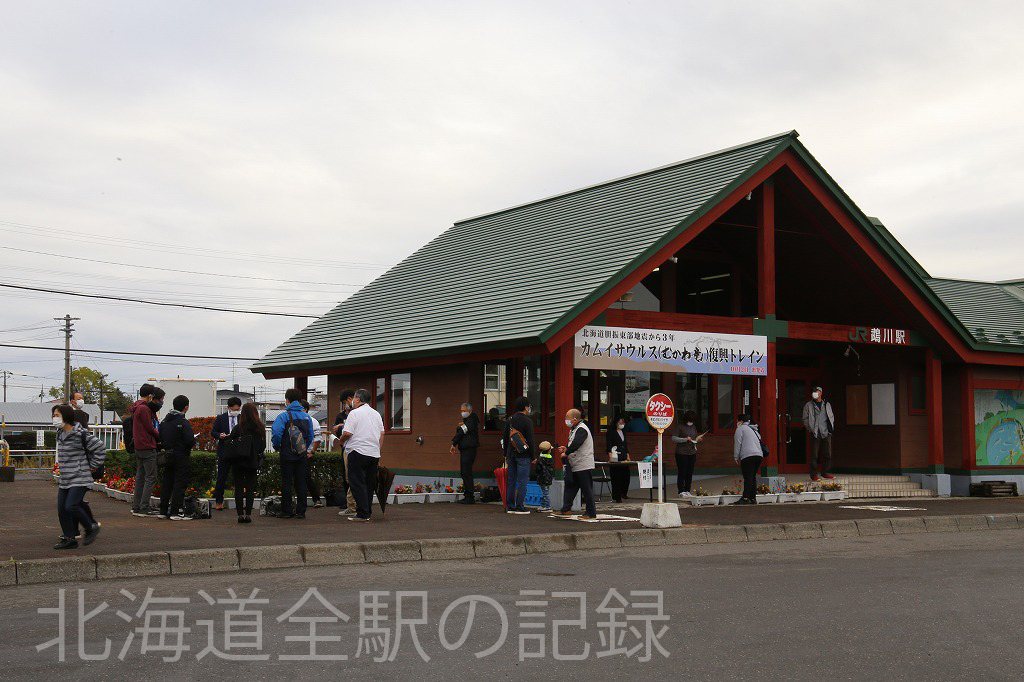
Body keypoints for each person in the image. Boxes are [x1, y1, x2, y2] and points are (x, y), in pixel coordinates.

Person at [52, 404, 105, 549]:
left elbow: (100, 447)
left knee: (71, 506)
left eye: (57, 415)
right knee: (62, 509)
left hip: (80, 476)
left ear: (66, 416)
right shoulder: (60, 434)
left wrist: (92, 466)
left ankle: (91, 527)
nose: (54, 418)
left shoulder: (80, 434)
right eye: (54, 415)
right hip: (66, 478)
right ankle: (70, 539)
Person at [337, 388, 385, 522]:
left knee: (357, 483)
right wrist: (378, 449)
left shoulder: (354, 413)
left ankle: (362, 513)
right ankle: (367, 511)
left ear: (357, 400)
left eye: (354, 399)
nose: (352, 402)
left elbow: (347, 433)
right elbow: (382, 434)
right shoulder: (376, 414)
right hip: (374, 453)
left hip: (357, 452)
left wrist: (340, 441)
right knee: (369, 484)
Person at [270, 388, 315, 519]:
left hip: (287, 454)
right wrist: (303, 448)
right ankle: (301, 511)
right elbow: (311, 436)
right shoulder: (307, 417)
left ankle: (287, 510)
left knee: (286, 482)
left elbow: (277, 434)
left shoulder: (283, 416)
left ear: (287, 400)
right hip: (301, 455)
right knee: (301, 482)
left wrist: (278, 447)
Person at [553, 409, 597, 519]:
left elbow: (577, 443)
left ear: (575, 419)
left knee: (586, 488)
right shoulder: (574, 429)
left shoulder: (582, 429)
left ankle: (591, 512)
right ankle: (566, 509)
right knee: (571, 486)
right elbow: (573, 445)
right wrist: (566, 448)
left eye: (567, 417)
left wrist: (566, 452)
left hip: (583, 464)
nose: (566, 420)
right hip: (575, 463)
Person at [226, 401, 266, 523]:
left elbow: (230, 442)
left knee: (238, 487)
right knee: (250, 488)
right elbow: (262, 446)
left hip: (238, 461)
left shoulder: (238, 428)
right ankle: (248, 514)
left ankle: (240, 514)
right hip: (252, 461)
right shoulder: (260, 428)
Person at [158, 395, 196, 521]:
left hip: (168, 456)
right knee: (180, 483)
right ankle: (176, 511)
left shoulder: (165, 421)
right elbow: (190, 440)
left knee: (167, 482)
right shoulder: (183, 422)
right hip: (181, 456)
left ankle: (163, 510)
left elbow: (160, 438)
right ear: (186, 407)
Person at [130, 383, 164, 518]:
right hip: (147, 445)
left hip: (139, 445)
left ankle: (136, 506)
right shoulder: (144, 409)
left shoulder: (136, 407)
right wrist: (158, 435)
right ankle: (144, 507)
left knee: (141, 477)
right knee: (151, 477)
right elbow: (149, 428)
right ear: (150, 395)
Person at [502, 396, 536, 514]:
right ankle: (520, 506)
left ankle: (510, 506)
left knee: (511, 481)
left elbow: (505, 438)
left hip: (511, 454)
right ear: (526, 407)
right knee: (522, 481)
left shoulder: (510, 419)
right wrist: (533, 456)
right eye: (529, 406)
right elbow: (530, 440)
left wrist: (505, 453)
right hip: (524, 455)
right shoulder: (527, 421)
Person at [210, 397, 243, 510]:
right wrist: (220, 435)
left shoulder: (242, 417)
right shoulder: (221, 418)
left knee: (239, 477)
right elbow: (213, 431)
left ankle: (240, 502)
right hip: (224, 449)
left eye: (238, 409)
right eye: (234, 409)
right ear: (229, 407)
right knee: (221, 477)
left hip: (238, 450)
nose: (236, 411)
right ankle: (219, 501)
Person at [332, 389, 358, 517]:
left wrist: (341, 428)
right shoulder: (340, 415)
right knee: (348, 476)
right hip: (351, 448)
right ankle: (350, 504)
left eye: (344, 402)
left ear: (350, 399)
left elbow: (348, 432)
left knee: (352, 477)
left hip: (352, 449)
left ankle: (353, 506)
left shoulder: (355, 413)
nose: (345, 405)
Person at [802, 385, 836, 482]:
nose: (814, 394)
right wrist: (810, 428)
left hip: (826, 432)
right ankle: (813, 475)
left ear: (820, 392)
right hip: (815, 432)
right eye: (813, 392)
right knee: (814, 455)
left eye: (816, 391)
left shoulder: (827, 405)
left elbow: (831, 416)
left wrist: (830, 428)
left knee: (827, 454)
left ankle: (825, 473)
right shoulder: (808, 405)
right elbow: (805, 419)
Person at [450, 402, 479, 504]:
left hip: (469, 449)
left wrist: (454, 442)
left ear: (469, 411)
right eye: (461, 411)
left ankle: (469, 496)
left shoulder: (472, 419)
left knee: (467, 472)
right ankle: (467, 495)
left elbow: (462, 431)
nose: (462, 413)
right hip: (465, 449)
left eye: (464, 411)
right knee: (464, 472)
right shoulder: (467, 421)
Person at [671, 410, 704, 498]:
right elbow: (674, 438)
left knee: (690, 472)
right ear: (686, 419)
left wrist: (698, 439)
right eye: (690, 420)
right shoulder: (680, 426)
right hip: (681, 452)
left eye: (693, 421)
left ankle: (687, 490)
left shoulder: (693, 427)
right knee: (682, 472)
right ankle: (681, 491)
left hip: (692, 452)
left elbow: (694, 438)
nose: (691, 422)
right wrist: (685, 439)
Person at [733, 413, 765, 504]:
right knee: (753, 476)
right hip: (759, 455)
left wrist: (736, 456)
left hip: (747, 455)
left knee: (748, 477)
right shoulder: (754, 429)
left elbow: (738, 443)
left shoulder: (740, 429)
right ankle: (753, 497)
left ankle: (745, 498)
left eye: (737, 421)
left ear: (741, 421)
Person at [301, 399, 324, 508]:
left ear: (305, 409)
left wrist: (312, 452)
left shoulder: (313, 421)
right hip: (296, 453)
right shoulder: (293, 419)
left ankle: (317, 499)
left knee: (306, 477)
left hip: (307, 453)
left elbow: (318, 438)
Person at [605, 414, 631, 503]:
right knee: (616, 477)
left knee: (626, 475)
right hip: (615, 455)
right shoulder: (611, 432)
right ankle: (617, 496)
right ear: (616, 422)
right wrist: (610, 455)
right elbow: (609, 444)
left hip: (623, 456)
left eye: (623, 422)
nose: (622, 423)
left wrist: (628, 455)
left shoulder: (623, 432)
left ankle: (624, 492)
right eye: (620, 422)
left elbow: (625, 444)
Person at [534, 440, 555, 512]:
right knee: (545, 492)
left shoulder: (540, 459)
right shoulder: (551, 458)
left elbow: (537, 469)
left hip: (542, 478)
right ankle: (543, 505)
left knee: (545, 493)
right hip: (549, 478)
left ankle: (547, 506)